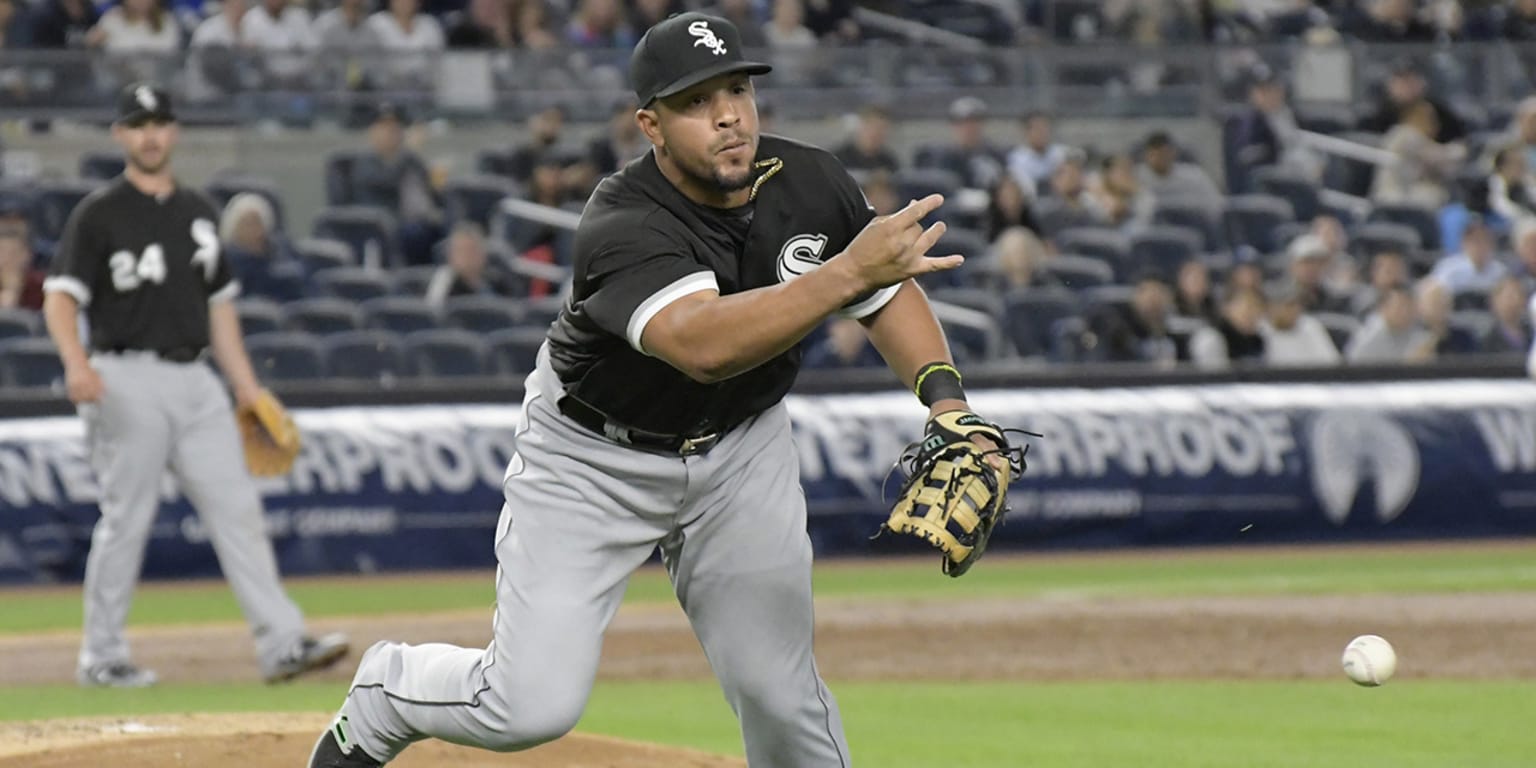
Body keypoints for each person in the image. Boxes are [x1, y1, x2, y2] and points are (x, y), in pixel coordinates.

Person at [308, 13, 993, 767]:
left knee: (780, 694)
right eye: (698, 101)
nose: (729, 114)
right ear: (651, 124)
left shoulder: (810, 182)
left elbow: (884, 293)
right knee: (527, 705)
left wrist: (947, 401)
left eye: (738, 88)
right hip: (593, 457)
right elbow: (703, 346)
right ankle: (387, 692)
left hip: (740, 451)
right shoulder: (622, 220)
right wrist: (849, 272)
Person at [40, 84, 348, 689]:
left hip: (197, 379)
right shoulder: (98, 214)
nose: (150, 135)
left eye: (159, 123)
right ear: (120, 136)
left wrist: (247, 391)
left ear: (174, 131)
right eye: (138, 124)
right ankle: (100, 656)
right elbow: (59, 298)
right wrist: (76, 362)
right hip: (124, 375)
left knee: (238, 511)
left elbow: (221, 313)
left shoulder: (200, 212)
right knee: (127, 517)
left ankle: (282, 644)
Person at [0, 226, 43, 310]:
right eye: (2, 252)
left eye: (13, 253)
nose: (7, 258)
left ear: (28, 255)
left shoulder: (41, 286)